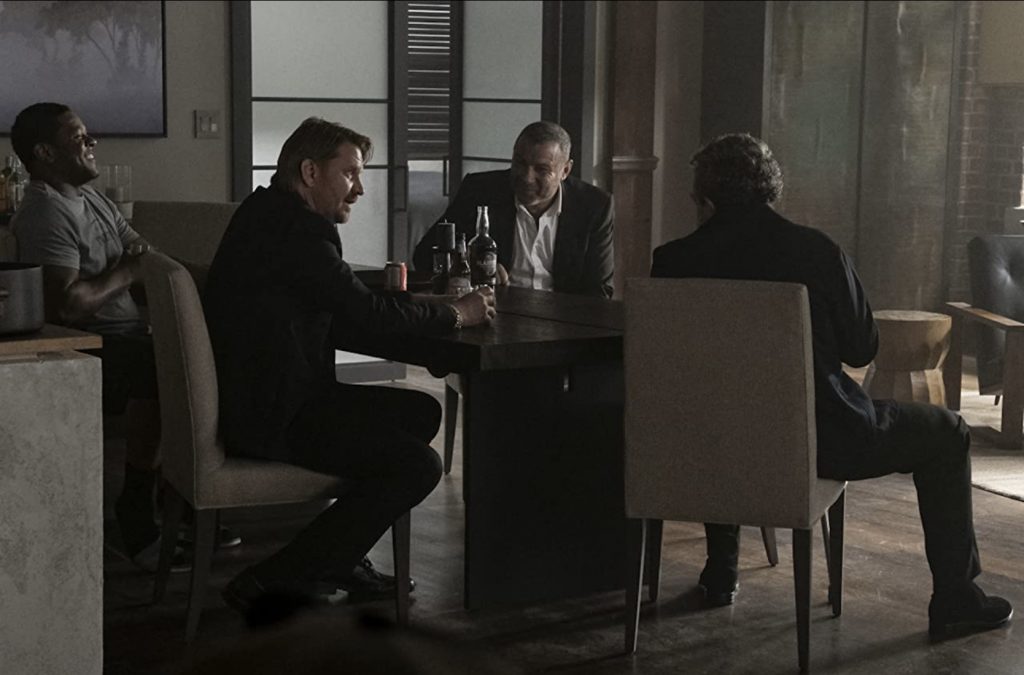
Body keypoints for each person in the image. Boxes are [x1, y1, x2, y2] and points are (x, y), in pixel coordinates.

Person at [650, 133, 1012, 641]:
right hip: (823, 441)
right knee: (948, 431)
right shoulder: (816, 252)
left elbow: (687, 369)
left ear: (704, 197)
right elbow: (862, 350)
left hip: (707, 445)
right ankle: (956, 598)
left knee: (726, 403)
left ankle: (721, 570)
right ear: (770, 189)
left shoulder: (672, 262)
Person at [203, 117, 496, 609]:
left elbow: (343, 303)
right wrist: (455, 314)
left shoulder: (265, 211)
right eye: (350, 174)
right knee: (419, 466)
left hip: (259, 397)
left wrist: (415, 308)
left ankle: (339, 553)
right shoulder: (298, 232)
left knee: (419, 413)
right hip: (275, 414)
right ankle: (278, 575)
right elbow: (366, 313)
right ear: (310, 172)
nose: (359, 190)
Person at [8, 102, 208, 572]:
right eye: (78, 137)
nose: (92, 143)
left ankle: (182, 501)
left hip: (128, 332)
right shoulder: (45, 213)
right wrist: (128, 270)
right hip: (87, 343)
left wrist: (212, 278)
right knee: (165, 368)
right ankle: (138, 505)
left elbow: (147, 258)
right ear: (44, 152)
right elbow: (68, 305)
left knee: (206, 356)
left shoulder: (94, 201)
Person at [412, 121, 614, 298]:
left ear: (565, 171)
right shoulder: (480, 191)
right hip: (494, 311)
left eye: (541, 169)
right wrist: (468, 266)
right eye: (520, 163)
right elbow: (423, 256)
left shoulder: (593, 206)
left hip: (562, 317)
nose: (527, 177)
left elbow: (599, 290)